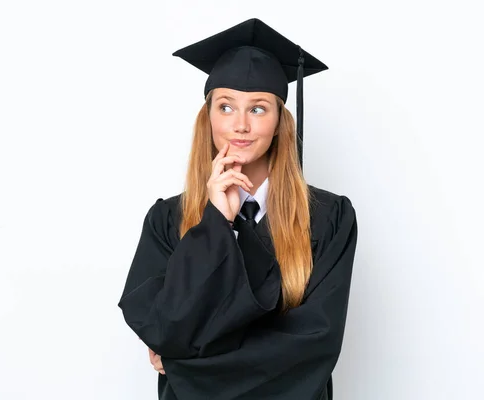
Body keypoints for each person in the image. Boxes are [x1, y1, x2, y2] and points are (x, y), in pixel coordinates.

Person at [118, 18, 359, 400]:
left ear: (280, 121)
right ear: (208, 117)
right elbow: (164, 326)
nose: (241, 125)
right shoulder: (167, 220)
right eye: (226, 106)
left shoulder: (330, 218)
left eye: (259, 109)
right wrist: (215, 223)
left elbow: (312, 347)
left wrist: (184, 361)